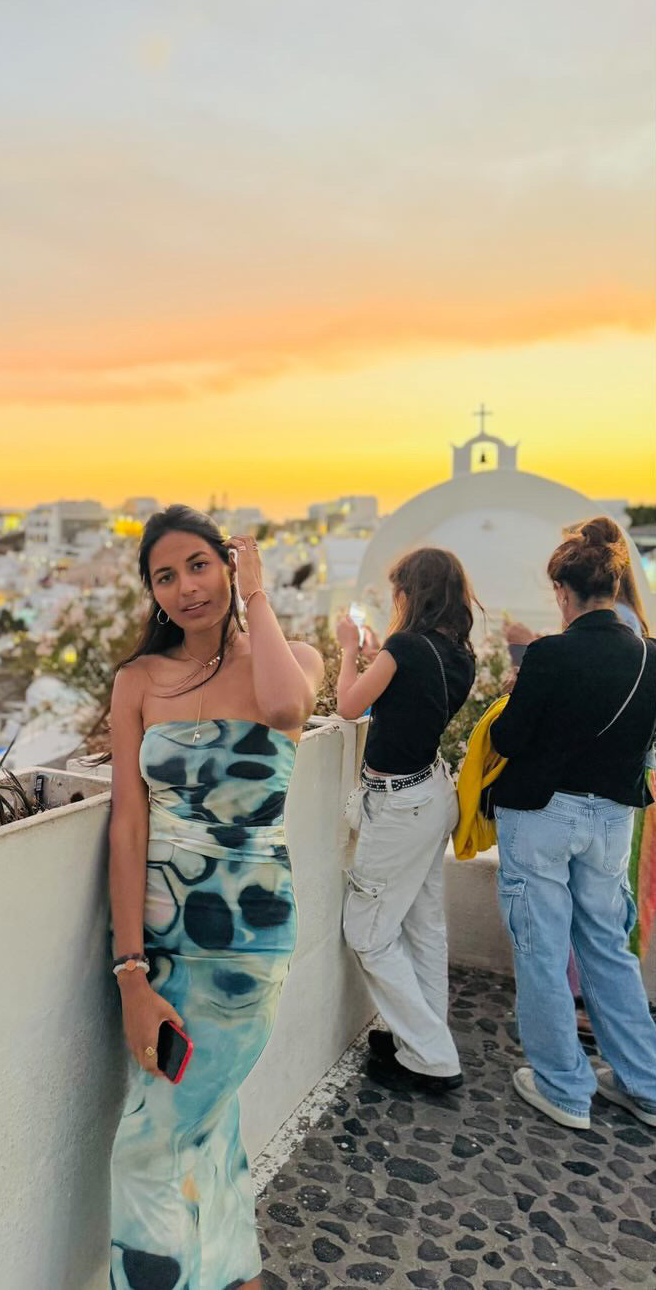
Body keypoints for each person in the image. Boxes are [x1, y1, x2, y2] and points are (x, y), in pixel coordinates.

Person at [107, 504, 323, 1290]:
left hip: (244, 945)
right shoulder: (137, 682)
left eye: (200, 565)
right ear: (152, 593)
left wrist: (257, 597)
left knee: (146, 1150)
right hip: (159, 947)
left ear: (229, 567)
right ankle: (236, 1275)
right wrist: (130, 971)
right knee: (203, 1125)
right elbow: (128, 827)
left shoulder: (289, 656)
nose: (186, 588)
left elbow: (286, 711)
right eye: (165, 576)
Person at [490, 518, 656, 1130]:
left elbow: (509, 738)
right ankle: (645, 1083)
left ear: (564, 591)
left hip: (543, 815)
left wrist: (515, 694)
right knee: (607, 949)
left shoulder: (549, 653)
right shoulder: (650, 656)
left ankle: (563, 1085)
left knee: (542, 947)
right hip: (611, 818)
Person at [334, 547, 478, 1093]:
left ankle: (432, 1056)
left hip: (400, 805)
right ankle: (416, 1038)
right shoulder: (459, 652)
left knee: (367, 933)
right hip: (432, 792)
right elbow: (405, 694)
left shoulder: (404, 647)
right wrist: (378, 656)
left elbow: (349, 706)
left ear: (410, 594)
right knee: (423, 925)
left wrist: (351, 650)